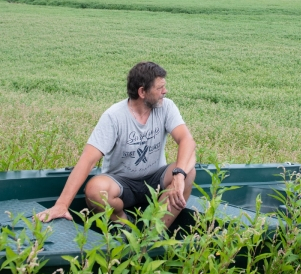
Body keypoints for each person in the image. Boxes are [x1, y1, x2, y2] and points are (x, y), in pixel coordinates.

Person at [37, 61, 196, 228]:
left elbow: (187, 140)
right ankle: (127, 227)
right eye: (159, 88)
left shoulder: (166, 107)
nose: (165, 91)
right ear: (142, 92)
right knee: (95, 190)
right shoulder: (114, 116)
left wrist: (179, 175)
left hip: (155, 179)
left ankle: (154, 234)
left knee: (188, 170)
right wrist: (62, 205)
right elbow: (88, 160)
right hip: (122, 185)